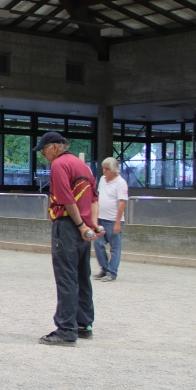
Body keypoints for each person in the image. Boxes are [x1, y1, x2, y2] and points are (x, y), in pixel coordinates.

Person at [33, 132, 102, 346]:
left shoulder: (59, 165)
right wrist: (92, 224)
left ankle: (66, 329)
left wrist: (80, 225)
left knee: (66, 277)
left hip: (67, 226)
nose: (43, 155)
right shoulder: (83, 166)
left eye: (44, 150)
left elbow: (65, 198)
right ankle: (84, 324)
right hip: (83, 228)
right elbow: (93, 198)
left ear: (55, 147)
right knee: (83, 275)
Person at [94, 157, 128, 282]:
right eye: (104, 168)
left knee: (115, 247)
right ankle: (104, 268)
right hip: (101, 218)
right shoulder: (102, 180)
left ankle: (112, 272)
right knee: (97, 243)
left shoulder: (120, 182)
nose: (105, 171)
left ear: (114, 170)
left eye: (107, 169)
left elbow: (122, 203)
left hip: (113, 219)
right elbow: (99, 197)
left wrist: (118, 222)